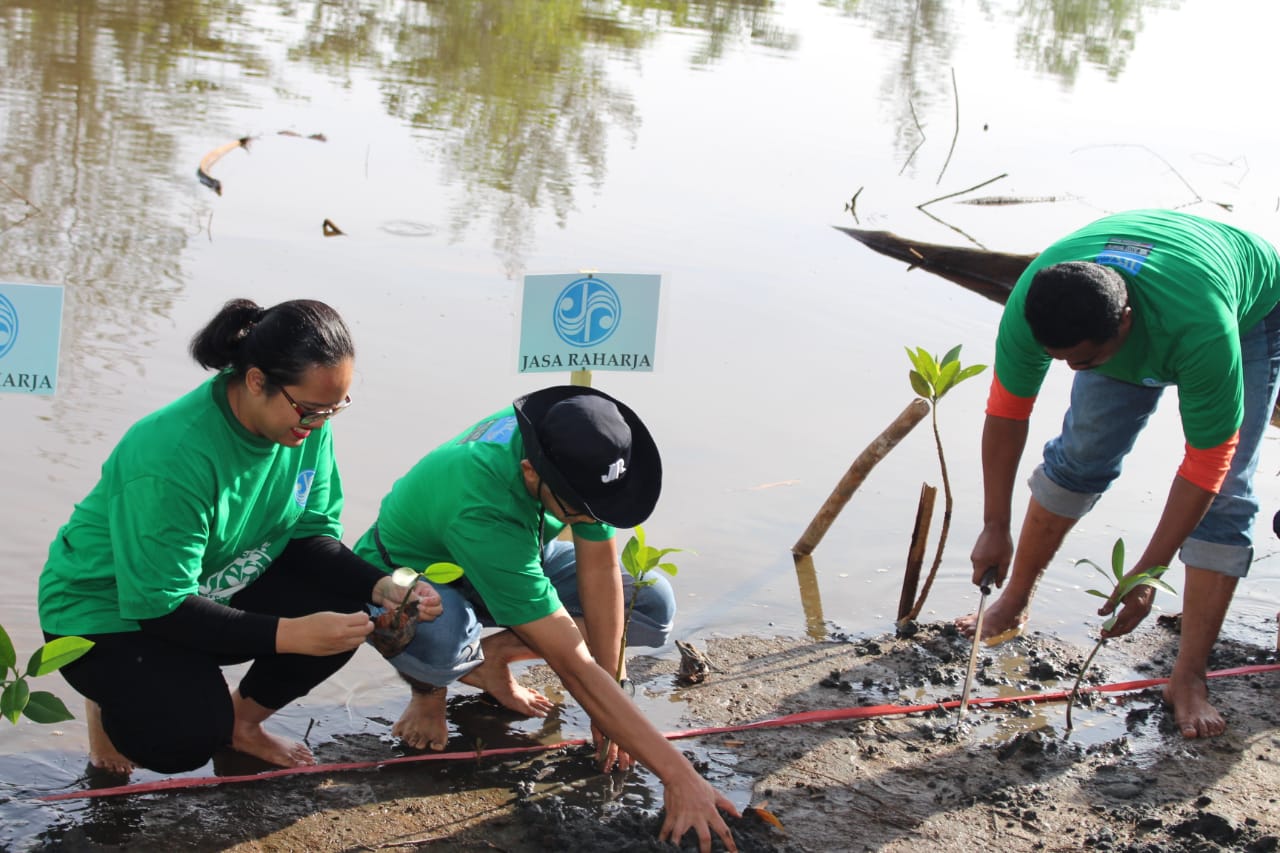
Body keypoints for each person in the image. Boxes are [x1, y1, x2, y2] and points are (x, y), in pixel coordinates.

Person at [38, 298, 443, 776]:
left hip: (209, 585)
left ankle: (242, 725)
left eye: (334, 410)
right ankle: (110, 699)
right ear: (256, 381)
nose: (318, 425)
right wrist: (291, 634)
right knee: (184, 742)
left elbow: (310, 537)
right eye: (311, 410)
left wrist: (383, 586)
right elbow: (159, 604)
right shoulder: (171, 455)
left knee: (347, 609)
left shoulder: (306, 425)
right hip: (107, 612)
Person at [353, 385, 739, 851]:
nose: (588, 519)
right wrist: (679, 777)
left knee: (651, 605)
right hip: (413, 573)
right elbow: (572, 663)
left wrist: (613, 688)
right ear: (530, 472)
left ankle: (488, 659)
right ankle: (429, 691)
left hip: (520, 548)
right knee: (440, 638)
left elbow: (599, 570)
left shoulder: (579, 452)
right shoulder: (481, 500)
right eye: (579, 511)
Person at [957, 208, 1280, 739]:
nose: (1073, 371)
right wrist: (995, 524)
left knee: (1229, 498)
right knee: (1082, 453)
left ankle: (1188, 676)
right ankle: (1013, 603)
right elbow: (1007, 414)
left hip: (1242, 306)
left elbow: (1208, 464)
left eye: (1084, 360)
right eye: (1059, 360)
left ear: (1124, 321)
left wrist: (1146, 574)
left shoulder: (1203, 329)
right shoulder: (1035, 306)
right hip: (1150, 292)